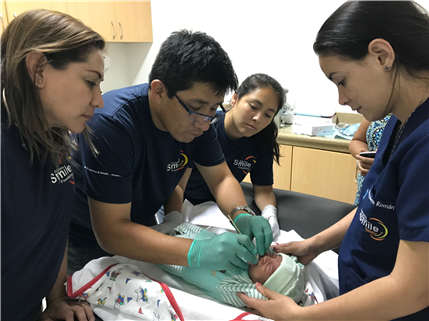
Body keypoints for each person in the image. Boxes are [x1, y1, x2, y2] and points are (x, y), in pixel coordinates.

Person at [237, 0, 429, 320]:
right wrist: (316, 244)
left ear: (382, 55)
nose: (341, 98)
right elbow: (373, 207)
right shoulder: (400, 120)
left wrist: (301, 317)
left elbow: (413, 288)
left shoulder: (423, 144)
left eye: (341, 80)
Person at [68, 30, 273, 278]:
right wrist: (197, 251)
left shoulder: (200, 123)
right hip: (88, 237)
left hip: (141, 227)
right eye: (197, 107)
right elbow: (111, 232)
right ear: (159, 91)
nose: (206, 122)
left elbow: (221, 178)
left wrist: (241, 214)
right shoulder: (112, 124)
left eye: (213, 108)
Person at [0, 9, 105, 320]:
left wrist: (57, 298)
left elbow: (54, 228)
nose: (99, 100)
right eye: (90, 82)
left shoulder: (55, 133)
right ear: (38, 69)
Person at [179, 73, 284, 240]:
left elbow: (263, 190)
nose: (257, 118)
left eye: (267, 115)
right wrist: (174, 219)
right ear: (235, 99)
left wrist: (270, 214)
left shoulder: (261, 142)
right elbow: (178, 186)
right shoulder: (204, 128)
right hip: (183, 204)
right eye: (253, 107)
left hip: (221, 208)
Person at [158, 222, 305, 308]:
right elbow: (278, 255)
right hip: (195, 236)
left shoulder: (243, 288)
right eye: (272, 256)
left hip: (178, 261)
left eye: (270, 268)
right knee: (174, 223)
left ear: (262, 287)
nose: (267, 259)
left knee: (157, 244)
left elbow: (265, 302)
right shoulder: (252, 257)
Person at [349, 114, 391, 205]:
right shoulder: (378, 108)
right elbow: (357, 140)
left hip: (393, 190)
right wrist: (364, 156)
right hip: (366, 187)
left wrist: (384, 165)